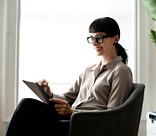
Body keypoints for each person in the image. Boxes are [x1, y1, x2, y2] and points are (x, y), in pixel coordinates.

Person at [5, 17, 133, 136]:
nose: (94, 43)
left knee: (27, 118)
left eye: (99, 38)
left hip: (86, 125)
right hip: (70, 118)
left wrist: (72, 113)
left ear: (116, 39)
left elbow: (112, 115)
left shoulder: (121, 71)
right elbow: (67, 97)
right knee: (27, 105)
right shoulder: (89, 70)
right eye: (91, 38)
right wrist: (49, 94)